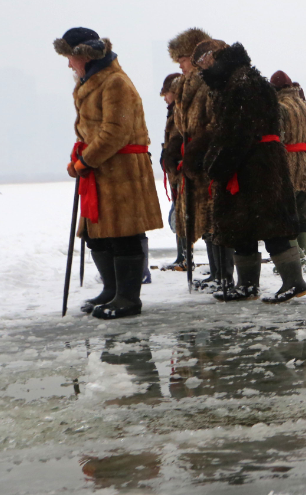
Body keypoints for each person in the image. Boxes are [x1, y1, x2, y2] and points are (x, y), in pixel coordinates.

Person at [56, 27, 163, 319]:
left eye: (69, 57)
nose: (68, 64)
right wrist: (80, 156)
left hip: (122, 172)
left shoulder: (115, 82)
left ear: (84, 56)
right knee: (97, 235)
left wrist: (85, 161)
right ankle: (112, 291)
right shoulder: (92, 81)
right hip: (103, 170)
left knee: (124, 234)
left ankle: (128, 298)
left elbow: (116, 132)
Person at [194, 40, 306, 303]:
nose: (202, 69)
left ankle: (294, 281)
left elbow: (240, 130)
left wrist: (218, 162)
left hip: (259, 168)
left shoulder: (244, 81)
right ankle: (247, 285)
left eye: (202, 62)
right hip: (247, 166)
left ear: (213, 57)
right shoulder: (232, 82)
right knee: (242, 228)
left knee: (271, 227)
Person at [163, 27, 236, 294]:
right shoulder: (185, 86)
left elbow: (215, 124)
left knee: (216, 219)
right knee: (204, 221)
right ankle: (216, 272)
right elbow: (184, 126)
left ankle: (224, 275)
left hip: (208, 162)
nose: (179, 66)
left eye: (181, 60)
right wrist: (175, 147)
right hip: (194, 162)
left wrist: (198, 150)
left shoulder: (209, 82)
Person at [270, 70, 306, 270]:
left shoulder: (279, 108)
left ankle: (294, 260)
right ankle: (303, 262)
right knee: (304, 217)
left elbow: (277, 139)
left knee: (285, 217)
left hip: (288, 168)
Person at [159, 72, 186, 271]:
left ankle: (184, 256)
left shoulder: (179, 111)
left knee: (181, 212)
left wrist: (170, 155)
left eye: (167, 93)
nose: (165, 98)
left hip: (180, 169)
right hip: (174, 169)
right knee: (178, 210)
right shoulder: (173, 111)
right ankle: (182, 254)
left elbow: (178, 138)